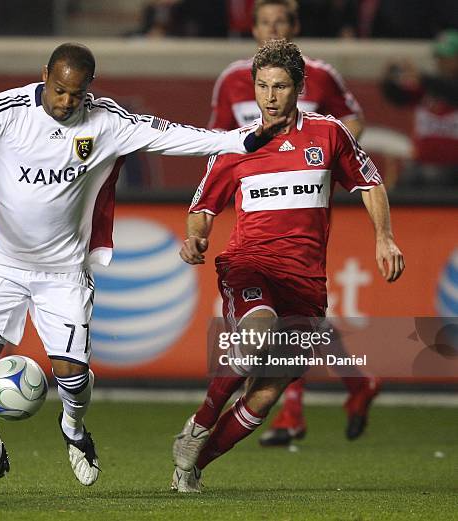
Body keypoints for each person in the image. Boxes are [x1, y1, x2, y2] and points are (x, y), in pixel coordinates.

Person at [0, 42, 280, 496]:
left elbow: (173, 135)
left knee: (72, 378)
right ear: (45, 76)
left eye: (76, 95)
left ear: (88, 89)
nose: (66, 102)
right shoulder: (6, 112)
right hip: (0, 263)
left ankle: (74, 428)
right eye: (58, 91)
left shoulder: (108, 121)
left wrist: (241, 139)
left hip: (64, 273)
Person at [171, 38, 405, 492]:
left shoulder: (329, 133)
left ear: (299, 88)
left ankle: (194, 462)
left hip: (306, 281)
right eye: (262, 86)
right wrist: (196, 236)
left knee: (268, 389)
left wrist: (385, 237)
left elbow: (370, 182)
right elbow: (203, 206)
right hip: (249, 264)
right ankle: (200, 422)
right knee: (258, 332)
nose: (270, 97)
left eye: (280, 87)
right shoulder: (235, 145)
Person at [205, 0, 380, 447]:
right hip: (259, 202)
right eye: (264, 22)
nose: (272, 29)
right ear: (252, 29)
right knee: (291, 320)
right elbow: (217, 140)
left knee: (298, 312)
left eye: (281, 22)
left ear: (295, 26)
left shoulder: (321, 76)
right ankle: (336, 392)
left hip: (305, 199)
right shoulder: (231, 79)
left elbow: (353, 119)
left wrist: (320, 162)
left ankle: (304, 406)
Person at [381, 29, 458, 188]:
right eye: (439, 58)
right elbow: (397, 97)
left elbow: (450, 90)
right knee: (407, 181)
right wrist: (391, 78)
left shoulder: (435, 85)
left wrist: (422, 78)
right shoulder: (428, 89)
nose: (441, 63)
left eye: (447, 58)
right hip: (421, 167)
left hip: (453, 170)